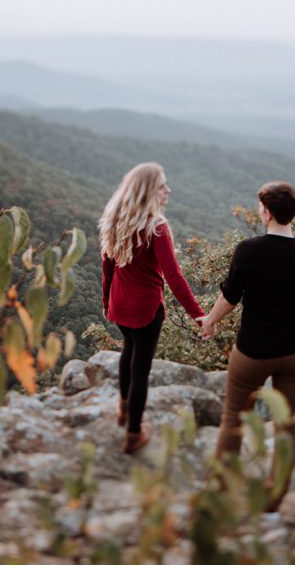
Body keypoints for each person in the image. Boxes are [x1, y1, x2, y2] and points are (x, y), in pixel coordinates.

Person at [199, 181, 295, 508]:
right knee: (288, 427)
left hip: (253, 350)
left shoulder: (248, 250)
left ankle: (221, 493)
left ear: (267, 213)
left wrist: (210, 321)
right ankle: (273, 501)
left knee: (233, 420)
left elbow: (230, 296)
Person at [100, 162, 207, 454]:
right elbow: (173, 276)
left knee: (128, 350)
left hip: (120, 303)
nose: (168, 191)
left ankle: (123, 410)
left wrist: (106, 300)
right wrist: (199, 315)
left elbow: (107, 265)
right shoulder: (156, 227)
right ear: (149, 190)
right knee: (141, 368)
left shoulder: (115, 218)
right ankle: (134, 433)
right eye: (163, 186)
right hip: (146, 309)